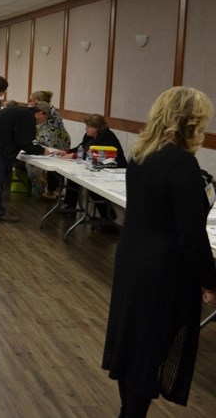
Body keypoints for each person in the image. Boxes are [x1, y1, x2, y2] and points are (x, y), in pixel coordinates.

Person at [102, 86, 216, 418]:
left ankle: (128, 411)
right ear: (191, 122)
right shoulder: (181, 164)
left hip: (133, 258)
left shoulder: (141, 155)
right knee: (152, 346)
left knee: (133, 341)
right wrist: (209, 281)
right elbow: (191, 235)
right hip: (163, 270)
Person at [0, 101, 53, 222]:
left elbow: (20, 138)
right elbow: (24, 142)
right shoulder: (28, 118)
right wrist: (43, 151)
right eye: (45, 118)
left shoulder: (22, 112)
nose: (43, 121)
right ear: (40, 113)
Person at [58, 114, 127, 217]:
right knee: (73, 177)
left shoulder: (107, 137)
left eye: (89, 126)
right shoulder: (89, 136)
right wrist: (66, 151)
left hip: (113, 169)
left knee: (93, 187)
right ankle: (70, 207)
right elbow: (80, 147)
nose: (86, 128)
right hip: (98, 167)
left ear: (97, 128)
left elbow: (97, 155)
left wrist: (74, 155)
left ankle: (108, 216)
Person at [29, 90, 70, 199]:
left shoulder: (48, 109)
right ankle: (55, 189)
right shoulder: (49, 108)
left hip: (57, 140)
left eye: (34, 101)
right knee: (53, 165)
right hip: (52, 139)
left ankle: (54, 190)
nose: (32, 103)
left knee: (55, 164)